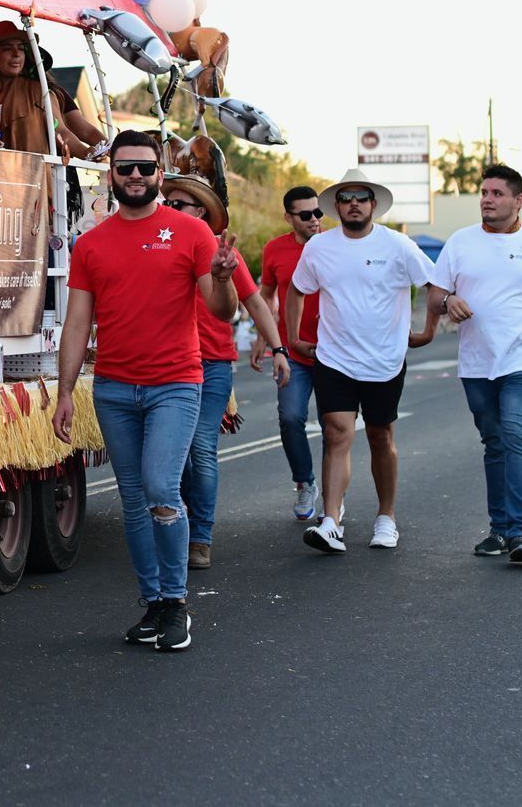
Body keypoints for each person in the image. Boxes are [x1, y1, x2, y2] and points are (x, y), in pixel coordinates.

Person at [52, 130, 240, 653]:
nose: (134, 176)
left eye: (144, 167)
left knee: (161, 489)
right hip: (113, 390)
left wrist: (223, 278)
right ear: (111, 174)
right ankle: (154, 603)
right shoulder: (91, 244)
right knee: (134, 501)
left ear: (160, 173)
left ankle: (177, 604)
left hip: (175, 385)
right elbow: (76, 324)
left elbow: (221, 311)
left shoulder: (191, 233)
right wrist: (65, 392)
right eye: (124, 167)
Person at [415, 164, 522, 564]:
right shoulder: (461, 242)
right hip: (476, 362)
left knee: (516, 432)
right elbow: (434, 296)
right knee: (494, 441)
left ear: (518, 200)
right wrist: (448, 302)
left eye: (497, 193)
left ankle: (520, 532)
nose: (487, 199)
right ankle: (499, 530)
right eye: (484, 192)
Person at [284, 169, 434, 554]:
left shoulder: (398, 245)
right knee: (337, 434)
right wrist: (294, 339)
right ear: (336, 206)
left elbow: (435, 285)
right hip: (335, 358)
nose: (353, 204)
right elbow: (297, 291)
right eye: (346, 198)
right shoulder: (319, 247)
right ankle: (331, 521)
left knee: (380, 436)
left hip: (385, 359)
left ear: (373, 205)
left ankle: (386, 518)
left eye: (360, 198)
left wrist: (428, 330)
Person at [162, 172, 289, 570]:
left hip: (213, 364)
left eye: (178, 204)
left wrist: (278, 348)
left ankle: (200, 538)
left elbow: (255, 302)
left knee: (201, 447)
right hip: (168, 366)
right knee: (176, 454)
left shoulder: (221, 253)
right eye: (167, 203)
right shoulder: (158, 246)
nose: (168, 209)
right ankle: (182, 519)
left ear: (201, 211)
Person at [259, 184, 327, 521]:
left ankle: (334, 495)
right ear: (289, 218)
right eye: (306, 214)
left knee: (335, 426)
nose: (314, 219)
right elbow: (265, 295)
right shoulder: (274, 250)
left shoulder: (336, 245)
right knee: (290, 418)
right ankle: (305, 482)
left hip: (334, 353)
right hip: (292, 351)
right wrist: (264, 338)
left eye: (318, 212)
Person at [0, 22, 105, 157]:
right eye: (7, 48)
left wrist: (85, 152)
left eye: (21, 48)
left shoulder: (40, 92)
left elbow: (60, 131)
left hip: (34, 174)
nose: (16, 54)